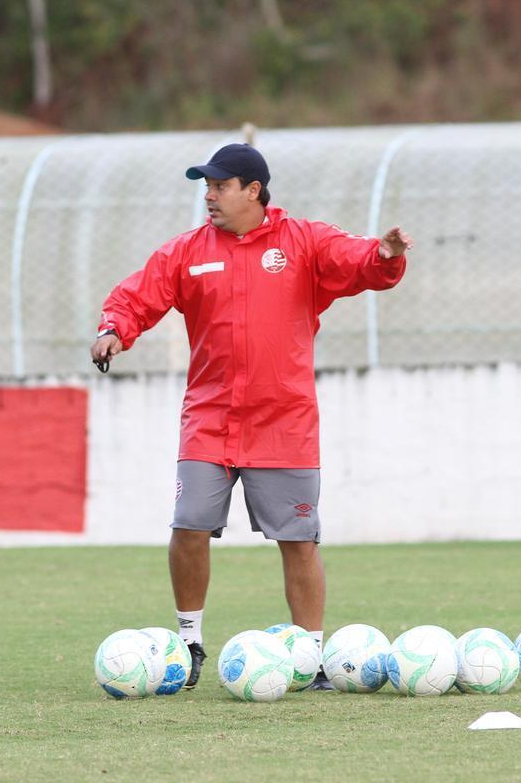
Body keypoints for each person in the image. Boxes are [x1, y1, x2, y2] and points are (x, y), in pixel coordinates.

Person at [90, 143, 411, 690]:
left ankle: (308, 656)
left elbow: (358, 263)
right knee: (188, 525)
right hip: (210, 418)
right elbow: (141, 294)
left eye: (219, 186)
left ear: (253, 191)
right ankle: (189, 643)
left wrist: (384, 254)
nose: (209, 196)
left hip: (283, 421)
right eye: (206, 187)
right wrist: (114, 329)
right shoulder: (187, 251)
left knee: (299, 541)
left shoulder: (304, 242)